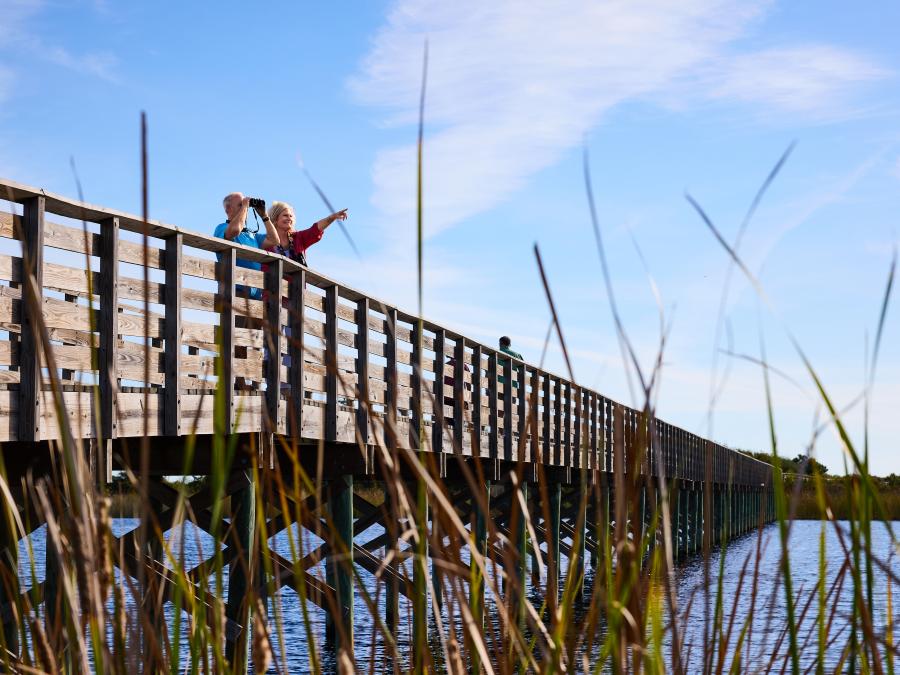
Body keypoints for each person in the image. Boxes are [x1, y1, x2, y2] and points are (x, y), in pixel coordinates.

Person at [213, 192, 278, 299]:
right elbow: (235, 229)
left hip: (255, 294)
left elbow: (275, 240)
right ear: (228, 209)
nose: (246, 208)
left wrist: (264, 216)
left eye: (246, 205)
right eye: (240, 204)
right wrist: (245, 206)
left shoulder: (252, 235)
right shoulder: (222, 227)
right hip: (233, 291)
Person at [261, 201, 348, 266]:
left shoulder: (298, 238)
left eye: (291, 216)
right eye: (285, 215)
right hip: (270, 288)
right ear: (275, 218)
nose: (289, 218)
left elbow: (315, 230)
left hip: (295, 288)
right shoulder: (264, 240)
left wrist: (332, 218)